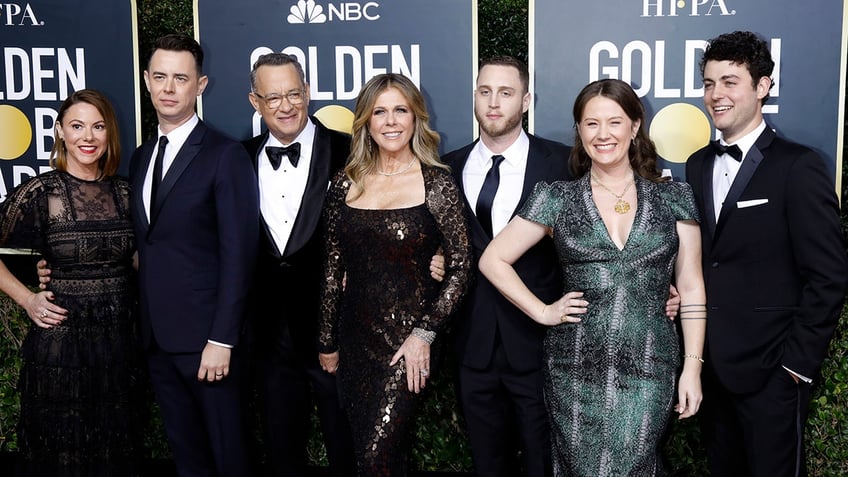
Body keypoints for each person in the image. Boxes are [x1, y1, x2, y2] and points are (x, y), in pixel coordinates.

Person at [442, 57, 681, 477]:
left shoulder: (562, 165)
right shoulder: (447, 166)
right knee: (486, 464)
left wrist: (658, 286)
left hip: (544, 347)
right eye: (485, 91)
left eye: (506, 92)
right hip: (472, 343)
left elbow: (604, 230)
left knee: (550, 463)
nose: (494, 103)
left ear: (527, 100)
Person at [686, 31, 848, 477]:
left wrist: (794, 367)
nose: (716, 94)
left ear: (763, 87)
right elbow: (707, 258)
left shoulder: (799, 166)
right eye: (708, 83)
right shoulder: (697, 164)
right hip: (713, 371)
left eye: (730, 81)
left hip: (772, 374)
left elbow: (829, 277)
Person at [317, 73, 471, 476]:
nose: (390, 121)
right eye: (379, 112)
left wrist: (425, 333)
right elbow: (334, 266)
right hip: (355, 341)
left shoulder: (436, 182)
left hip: (408, 342)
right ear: (365, 121)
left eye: (400, 110)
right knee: (378, 455)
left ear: (415, 117)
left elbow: (460, 267)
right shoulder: (344, 183)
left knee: (377, 456)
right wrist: (327, 340)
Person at [132, 34, 259, 475]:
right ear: (147, 81)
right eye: (160, 77)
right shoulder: (141, 157)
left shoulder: (226, 156)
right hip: (157, 341)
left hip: (209, 344)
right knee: (187, 460)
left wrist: (222, 339)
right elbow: (150, 243)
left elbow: (240, 255)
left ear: (200, 85)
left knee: (229, 458)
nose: (169, 88)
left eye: (180, 78)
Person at [0, 89, 145, 475]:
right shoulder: (42, 191)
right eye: (77, 126)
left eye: (98, 127)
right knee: (63, 451)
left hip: (119, 346)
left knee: (115, 449)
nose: (88, 137)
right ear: (61, 132)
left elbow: (141, 261)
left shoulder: (128, 192)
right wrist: (27, 299)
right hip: (61, 349)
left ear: (109, 134)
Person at [241, 52, 355, 477]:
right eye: (273, 97)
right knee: (280, 446)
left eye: (293, 93)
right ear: (256, 102)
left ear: (308, 92)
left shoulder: (349, 152)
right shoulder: (238, 158)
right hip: (268, 332)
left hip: (336, 329)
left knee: (346, 444)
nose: (286, 106)